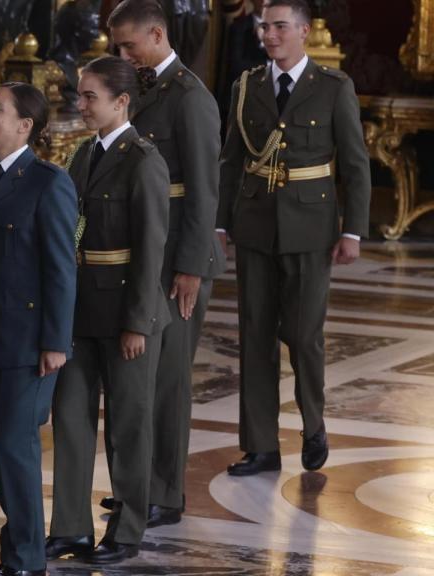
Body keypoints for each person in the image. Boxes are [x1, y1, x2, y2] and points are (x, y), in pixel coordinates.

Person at [218, 0, 371, 477]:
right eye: (265, 26)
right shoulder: (247, 86)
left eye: (280, 26)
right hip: (256, 225)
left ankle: (313, 425)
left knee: (303, 335)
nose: (269, 34)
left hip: (311, 227)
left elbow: (355, 164)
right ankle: (261, 445)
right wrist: (222, 224)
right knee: (255, 336)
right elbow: (230, 162)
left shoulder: (332, 87)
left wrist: (352, 230)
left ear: (304, 31)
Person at [100, 0, 224, 528]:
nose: (122, 56)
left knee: (168, 380)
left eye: (129, 46)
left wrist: (191, 266)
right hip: (143, 250)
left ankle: (166, 494)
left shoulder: (191, 97)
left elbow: (203, 189)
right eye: (117, 48)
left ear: (156, 35)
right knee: (137, 378)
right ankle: (136, 485)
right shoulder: (143, 89)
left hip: (177, 258)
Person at [45, 55, 170, 565]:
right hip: (80, 309)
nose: (81, 104)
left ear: (121, 102)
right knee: (71, 420)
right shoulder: (81, 156)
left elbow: (151, 249)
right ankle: (70, 527)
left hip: (124, 312)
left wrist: (138, 322)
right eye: (80, 94)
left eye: (90, 96)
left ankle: (127, 530)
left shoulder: (145, 161)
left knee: (127, 428)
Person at [0, 82, 77, 576]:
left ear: (25, 125)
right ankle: (17, 555)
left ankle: (28, 561)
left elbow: (60, 268)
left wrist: (55, 342)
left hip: (31, 344)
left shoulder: (47, 182)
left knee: (16, 450)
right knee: (1, 452)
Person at [220, 1, 268, 123]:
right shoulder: (238, 26)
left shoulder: (282, 29)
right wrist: (269, 65)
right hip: (242, 99)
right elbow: (236, 66)